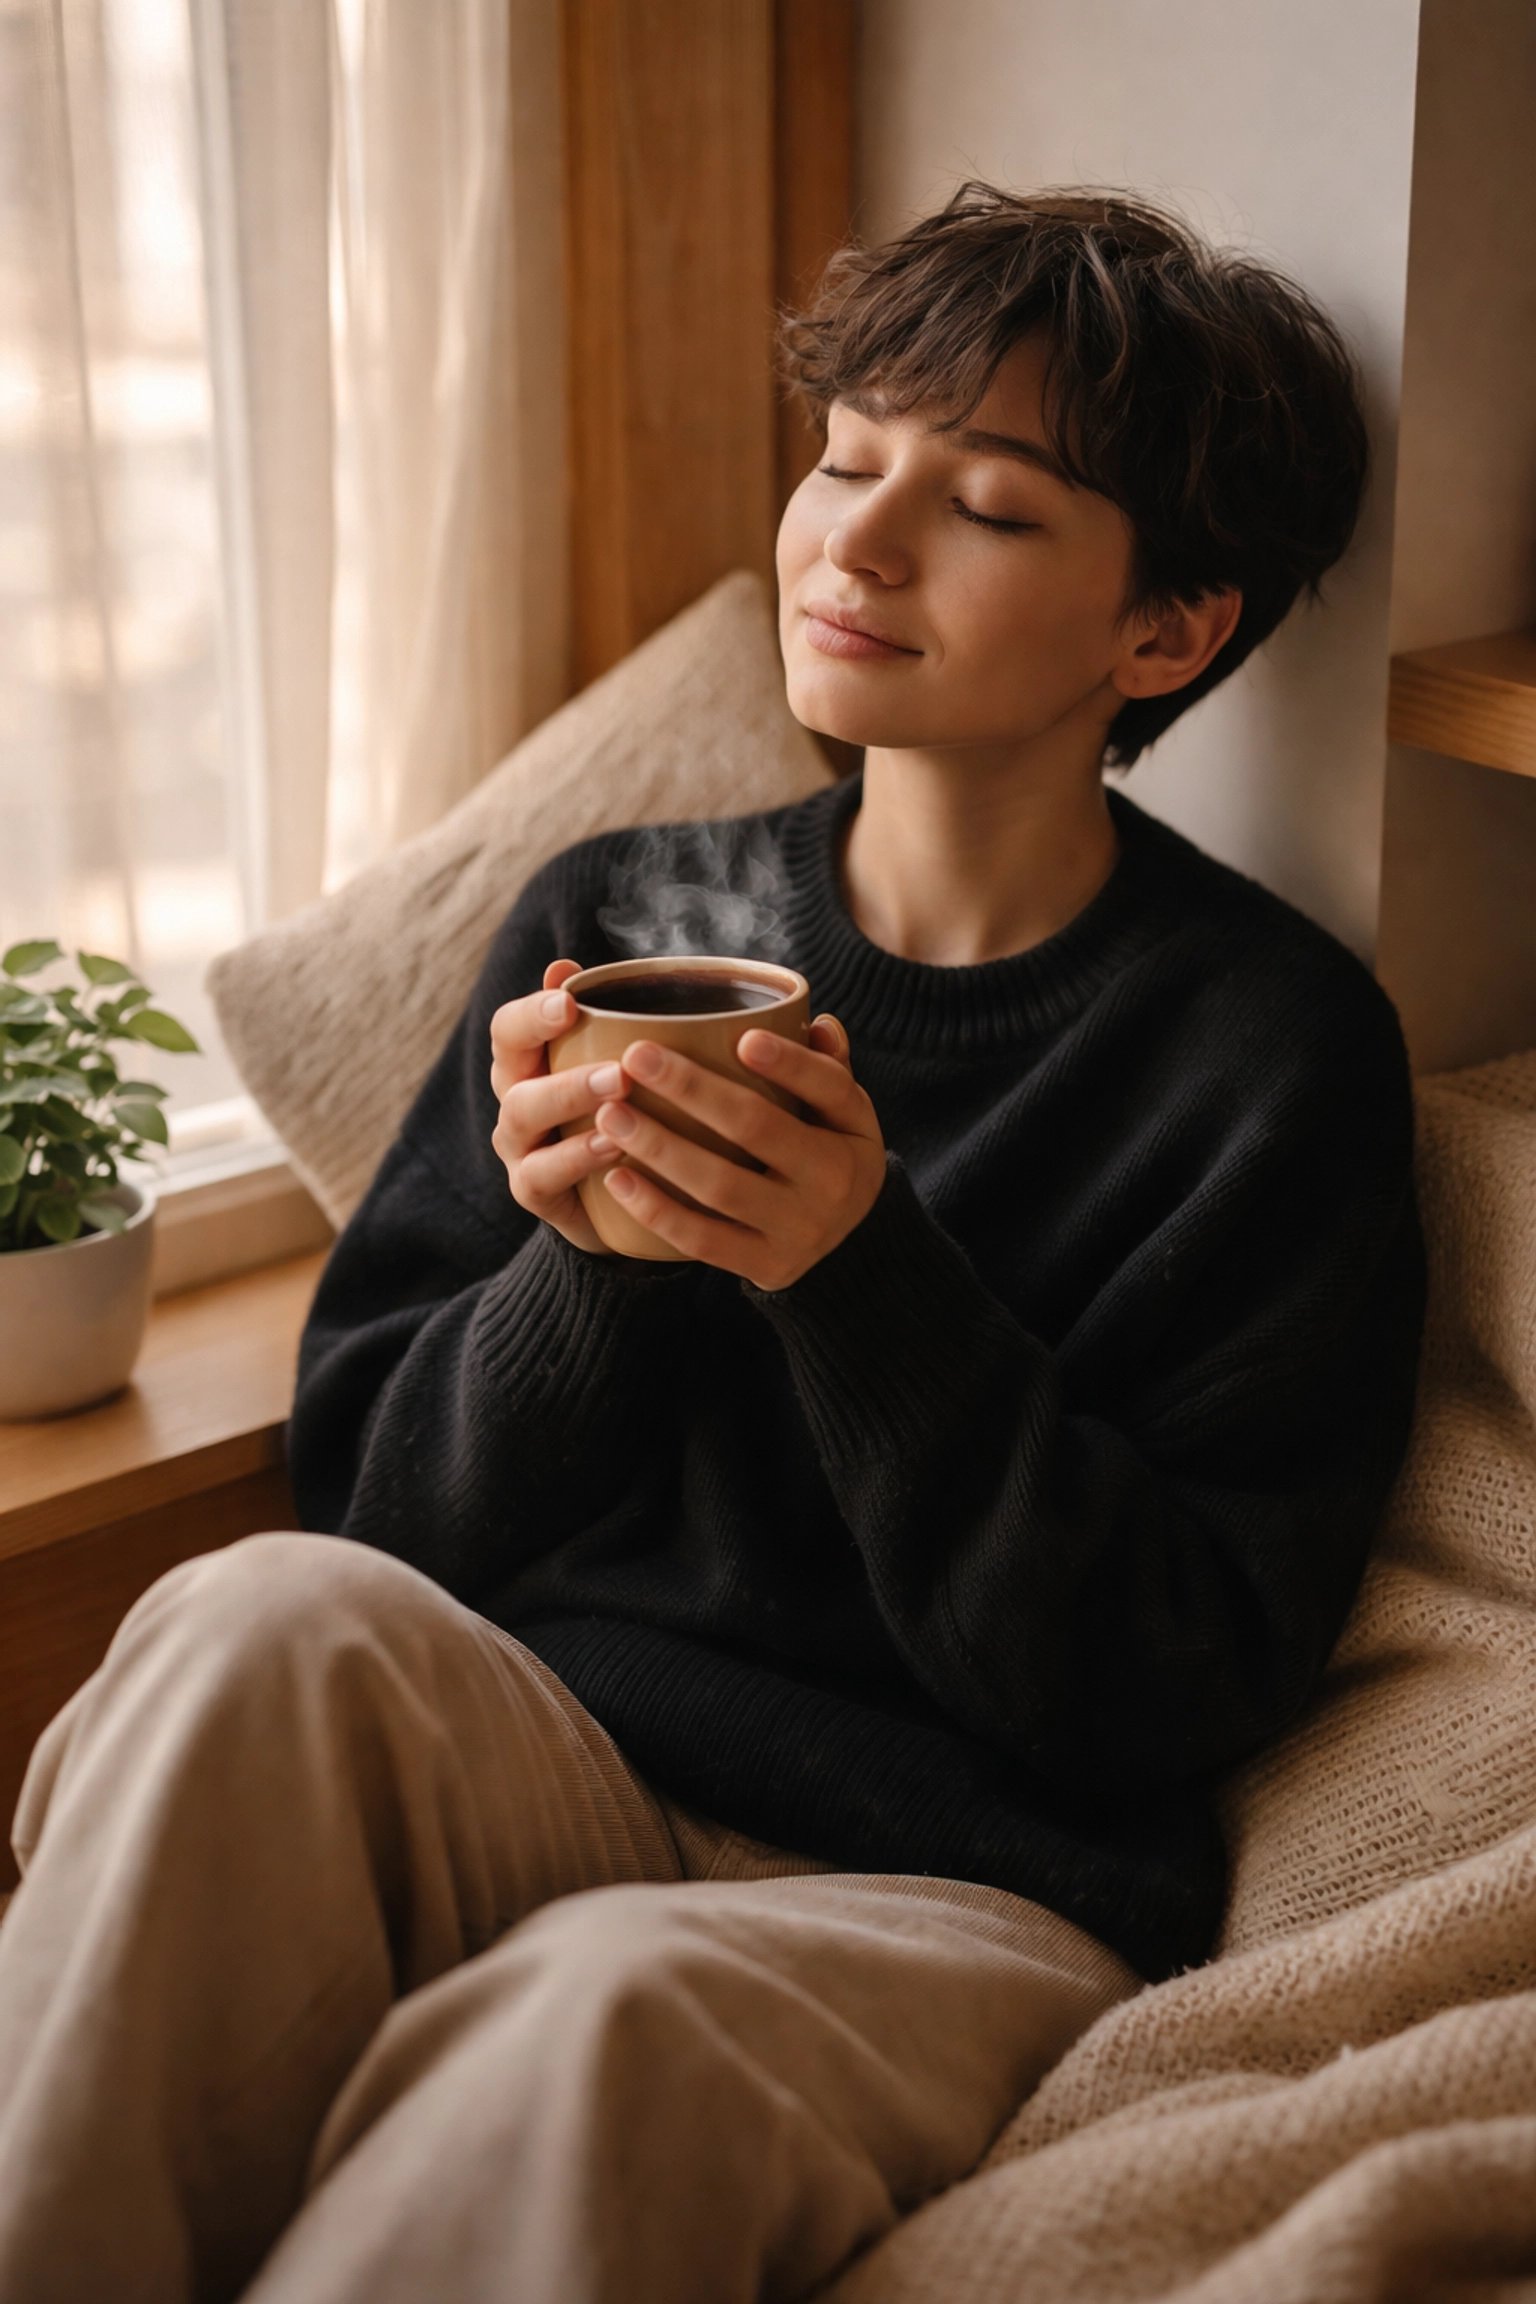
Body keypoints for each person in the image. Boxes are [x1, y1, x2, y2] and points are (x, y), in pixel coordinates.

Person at [0, 187, 1424, 2304]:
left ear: (1167, 631)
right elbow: (381, 1507)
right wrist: (598, 1258)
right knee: (246, 1623)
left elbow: (1158, 1682)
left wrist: (857, 1273)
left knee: (601, 2015)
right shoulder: (621, 920)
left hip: (952, 1889)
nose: (856, 537)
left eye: (989, 508)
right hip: (547, 1758)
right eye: (847, 457)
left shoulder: (1266, 1054)